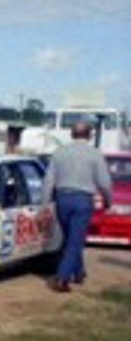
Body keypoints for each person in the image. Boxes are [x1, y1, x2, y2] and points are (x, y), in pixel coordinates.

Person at [41, 120, 113, 292]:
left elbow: (49, 179)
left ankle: (79, 272)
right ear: (89, 135)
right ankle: (62, 278)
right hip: (82, 199)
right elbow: (105, 182)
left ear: (72, 134)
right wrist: (108, 200)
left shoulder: (59, 152)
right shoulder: (95, 154)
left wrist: (45, 202)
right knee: (75, 239)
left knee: (72, 237)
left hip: (62, 198)